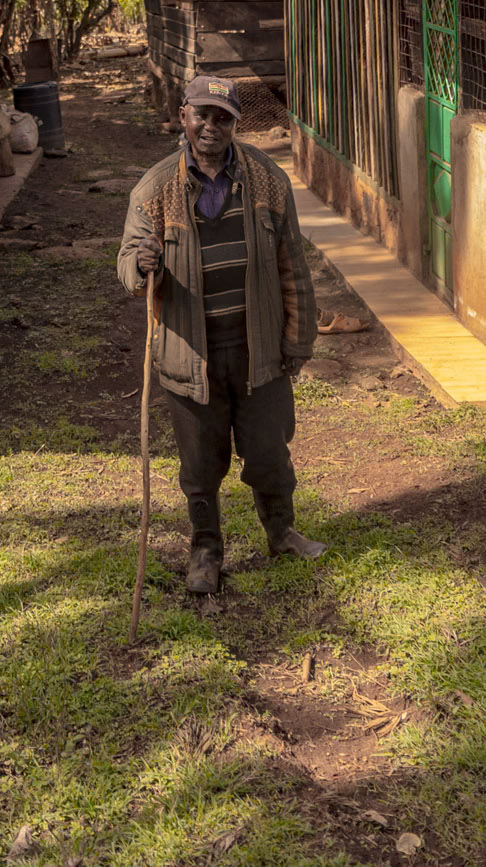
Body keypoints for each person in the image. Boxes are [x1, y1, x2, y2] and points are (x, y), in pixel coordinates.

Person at [116, 75, 326, 595]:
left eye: (223, 118)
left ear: (237, 123)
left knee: (270, 451)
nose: (211, 127)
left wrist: (297, 343)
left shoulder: (267, 180)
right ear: (183, 116)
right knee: (200, 463)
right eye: (201, 115)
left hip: (259, 350)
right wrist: (142, 265)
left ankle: (281, 533)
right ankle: (205, 549)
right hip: (190, 354)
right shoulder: (155, 186)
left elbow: (292, 266)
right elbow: (126, 261)